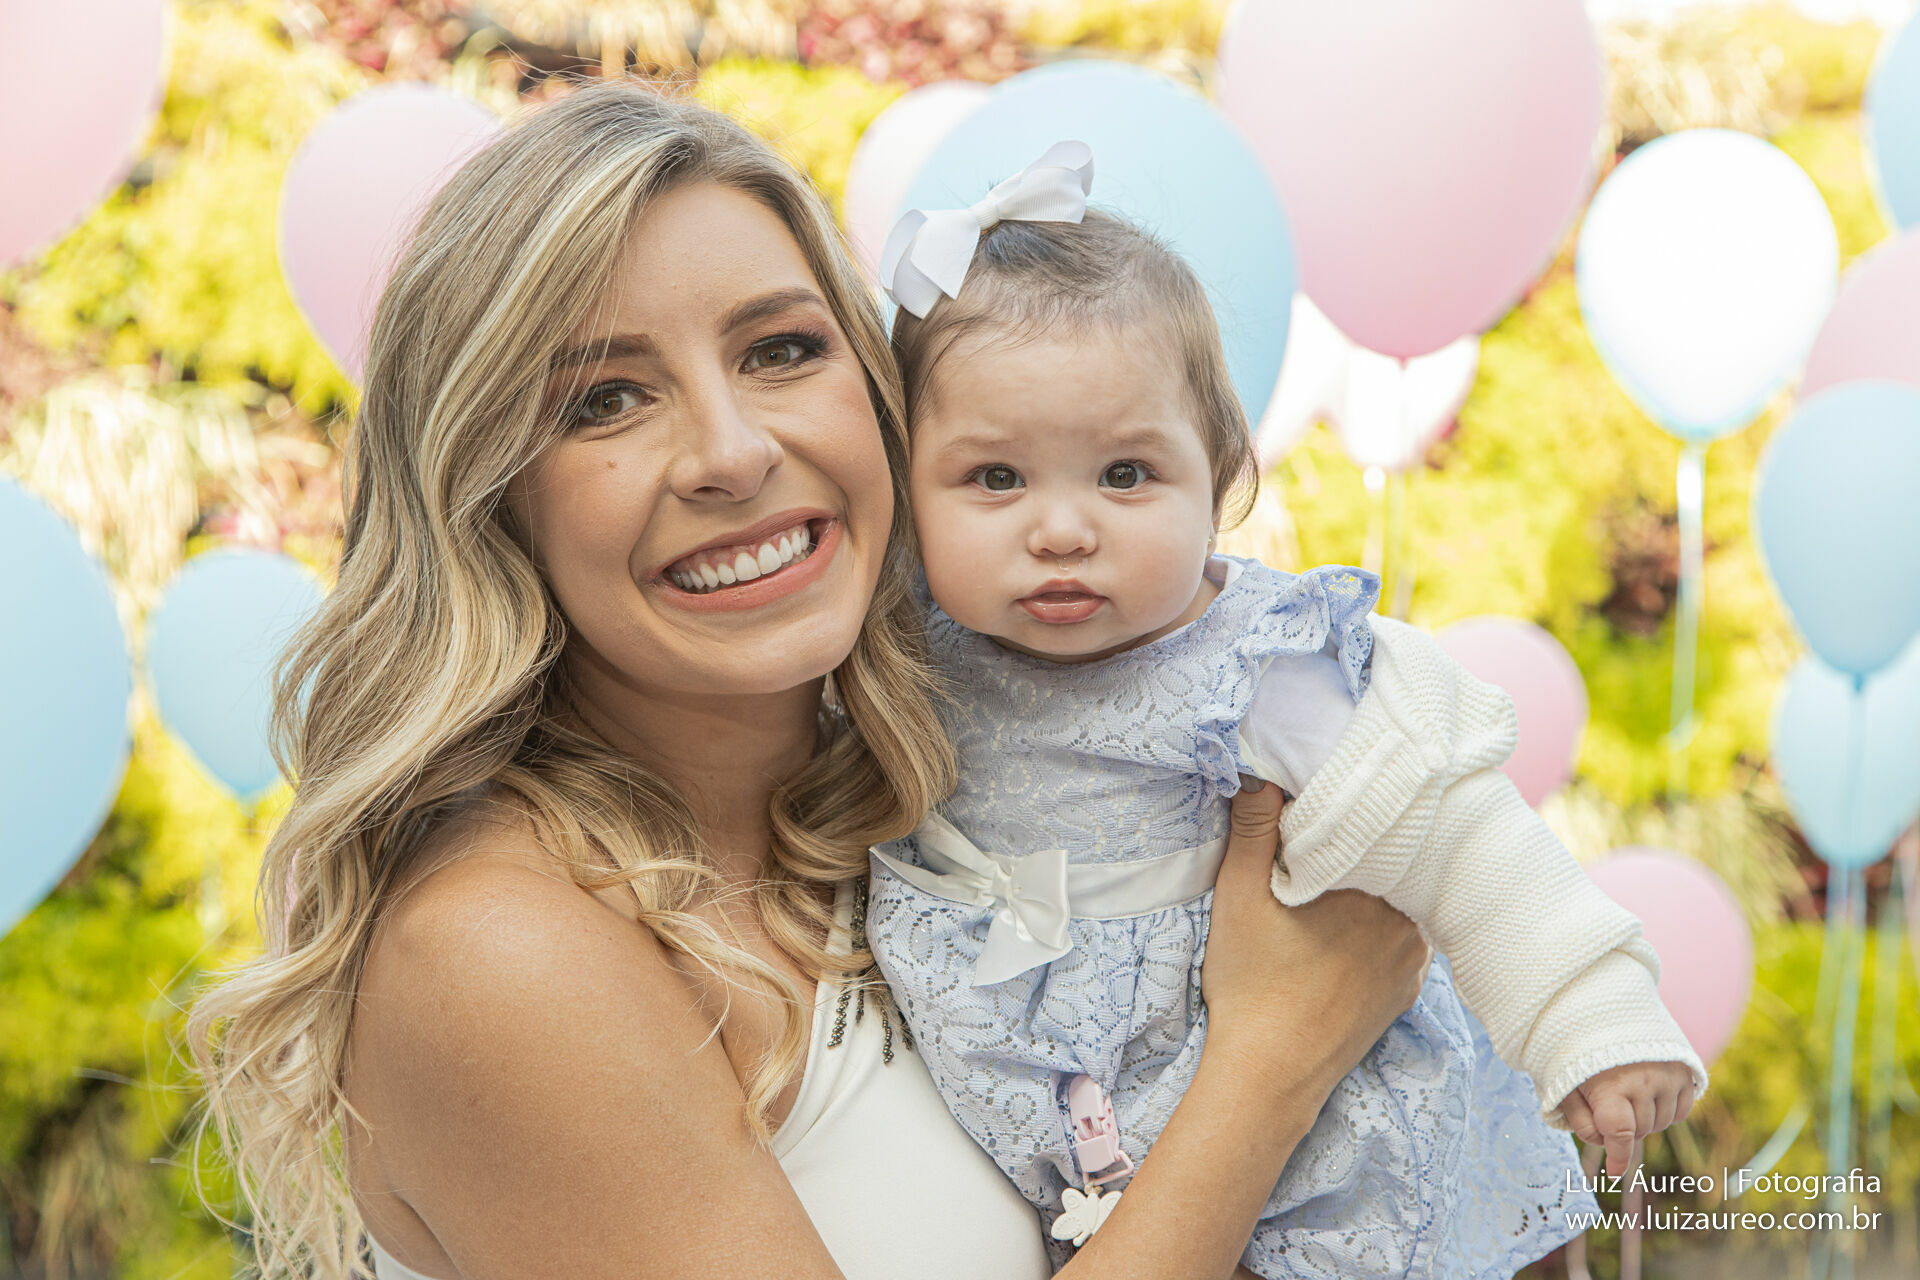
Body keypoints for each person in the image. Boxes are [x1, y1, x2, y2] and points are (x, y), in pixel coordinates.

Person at [182, 84, 1434, 1280]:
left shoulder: (932, 808)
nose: (731, 452)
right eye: (607, 399)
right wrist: (1277, 1050)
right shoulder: (501, 950)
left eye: (780, 349)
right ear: (486, 495)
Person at [864, 146, 1705, 1277]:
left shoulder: (1250, 668)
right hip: (1106, 1151)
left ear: (1220, 475)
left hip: (1313, 1146)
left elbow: (1460, 828)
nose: (1061, 528)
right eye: (995, 479)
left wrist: (1590, 1017)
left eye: (1124, 475)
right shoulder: (906, 655)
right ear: (905, 490)